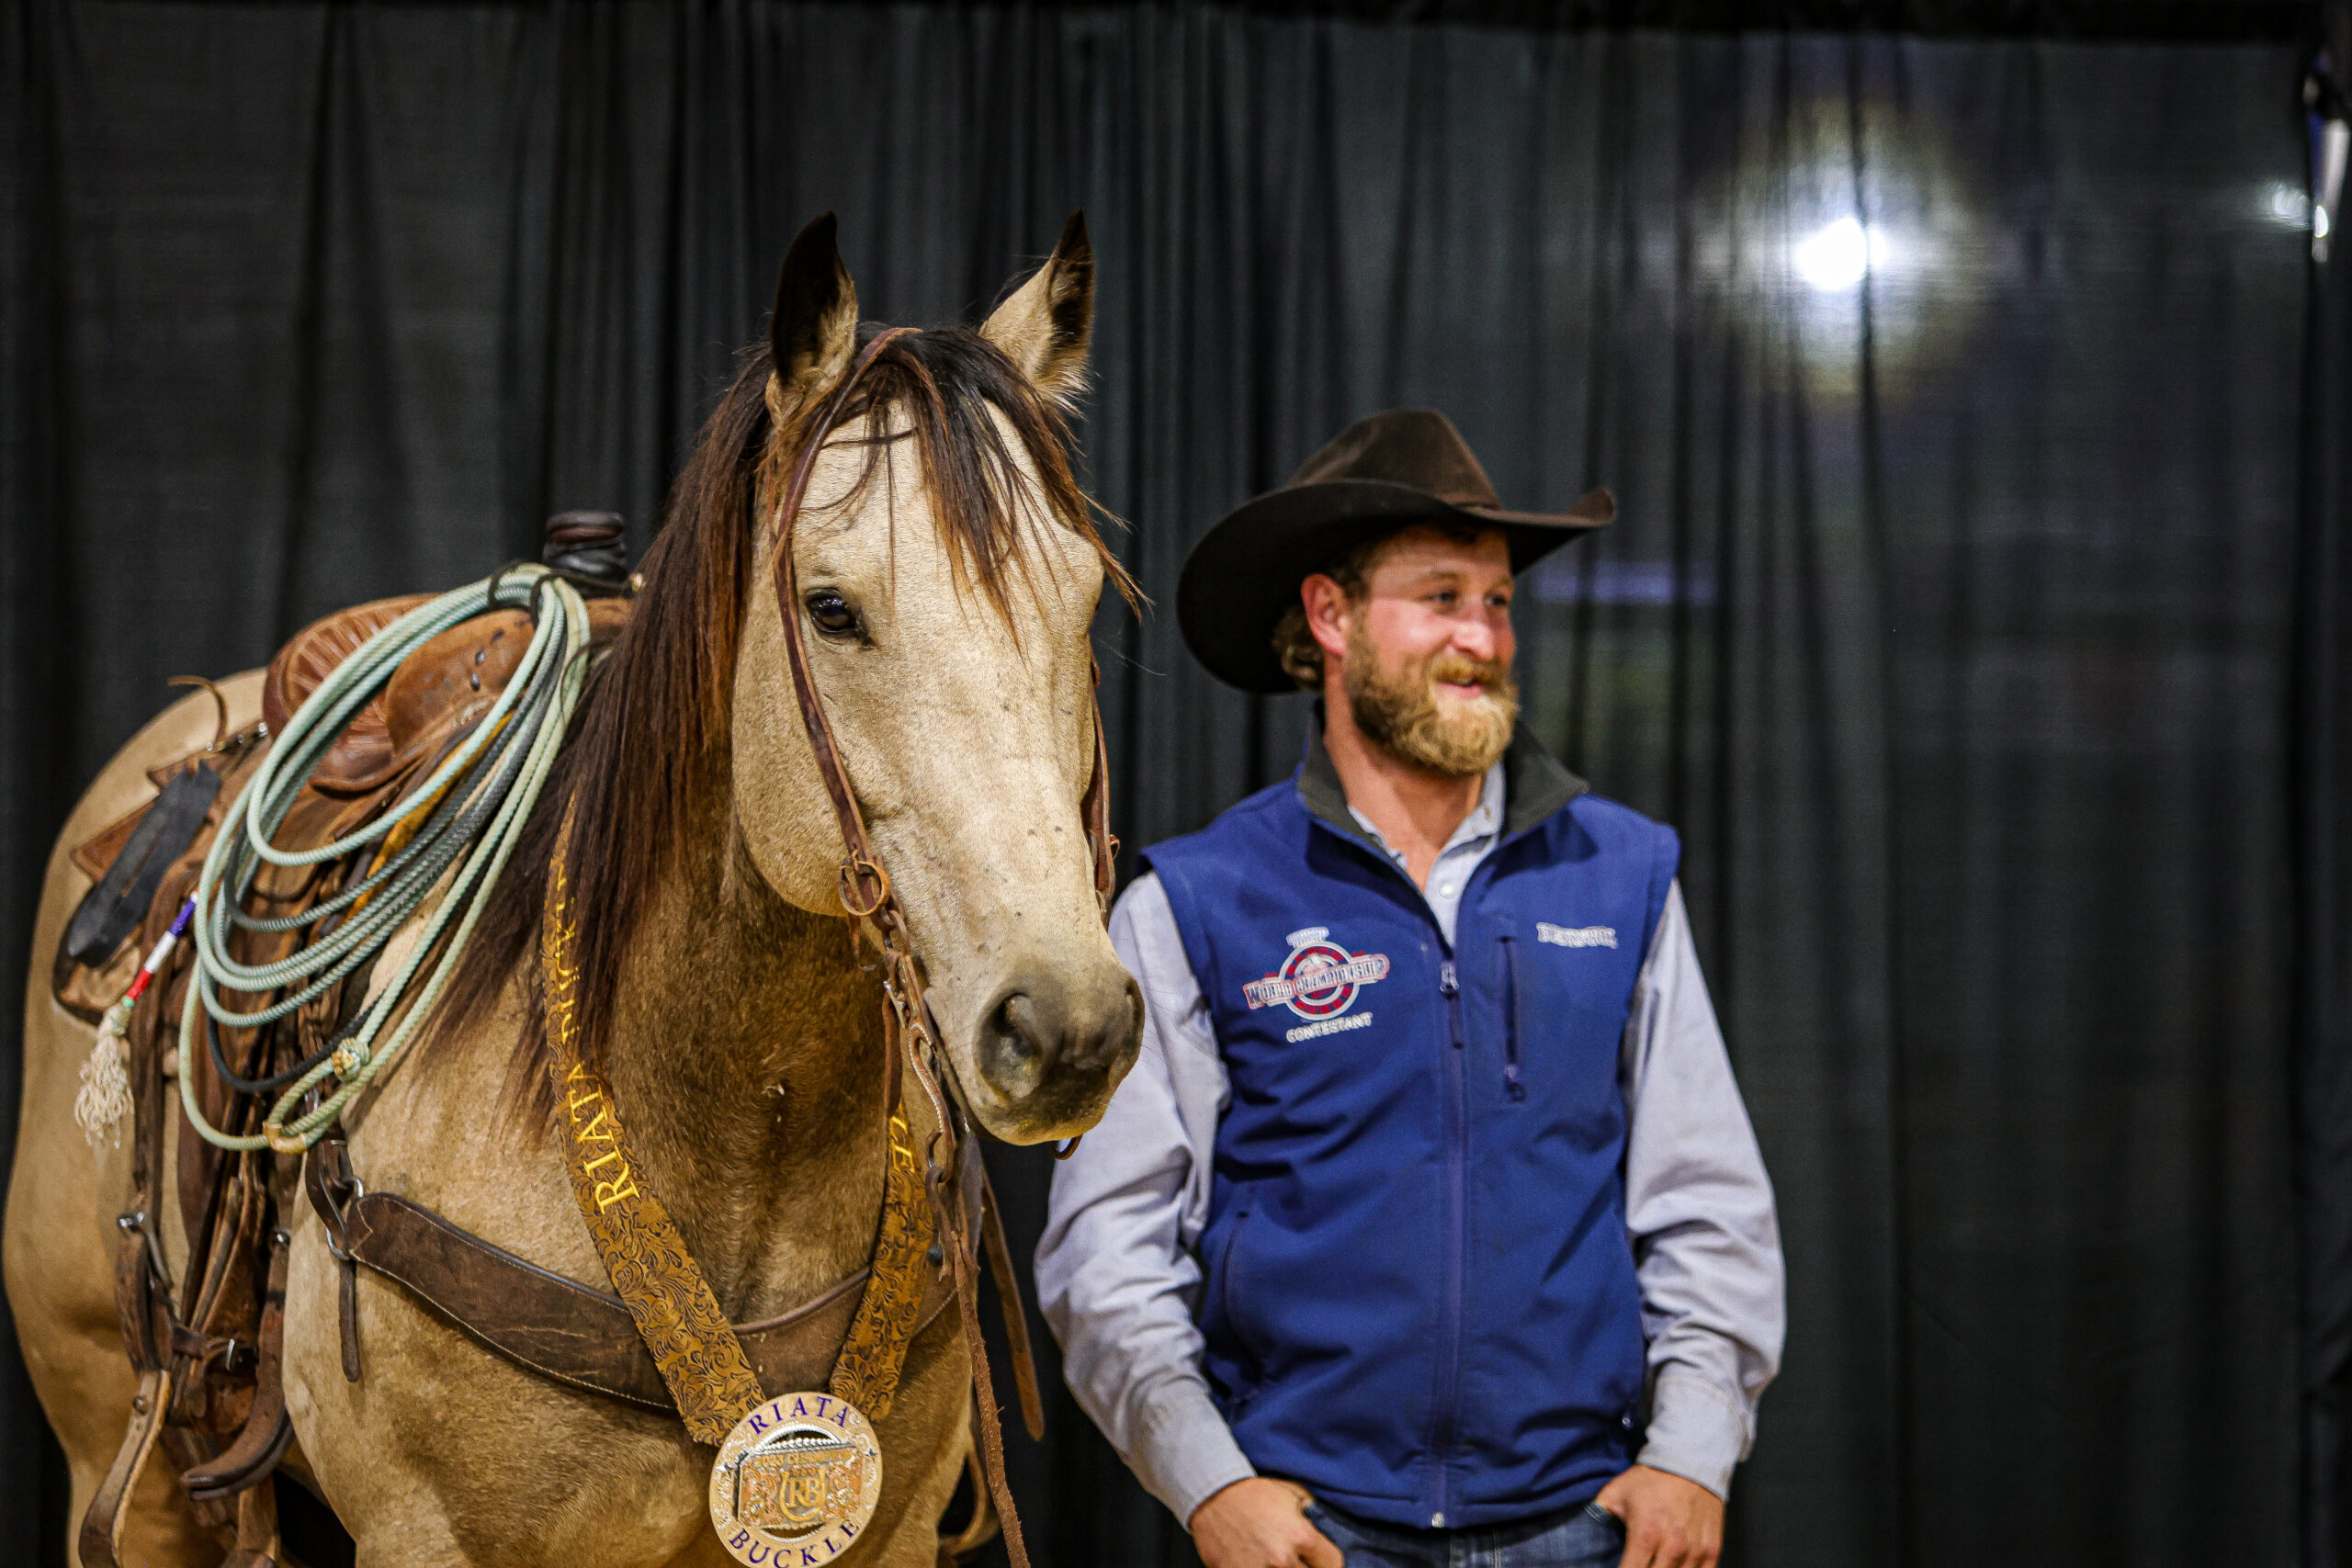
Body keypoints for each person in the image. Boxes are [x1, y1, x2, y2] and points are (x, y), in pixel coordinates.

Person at [1035, 411, 1784, 1568]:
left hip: (1583, 1527)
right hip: (1309, 1536)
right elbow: (1108, 1251)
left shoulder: (1622, 873)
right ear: (1330, 617)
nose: (1482, 637)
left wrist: (1692, 1454)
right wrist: (1209, 1486)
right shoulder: (1193, 902)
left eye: (1497, 604)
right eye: (1440, 597)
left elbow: (1706, 1204)